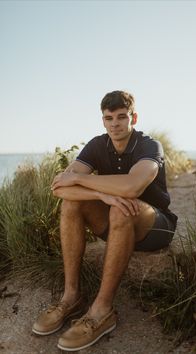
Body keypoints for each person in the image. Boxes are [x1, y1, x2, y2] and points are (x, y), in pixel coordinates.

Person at [32, 90, 178, 351]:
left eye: (121, 117)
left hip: (154, 226)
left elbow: (133, 186)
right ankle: (71, 297)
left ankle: (102, 310)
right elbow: (59, 188)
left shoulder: (148, 145)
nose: (115, 124)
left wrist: (80, 179)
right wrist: (101, 195)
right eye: (109, 118)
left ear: (133, 117)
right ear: (103, 120)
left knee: (124, 207)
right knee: (72, 203)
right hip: (115, 222)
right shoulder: (99, 144)